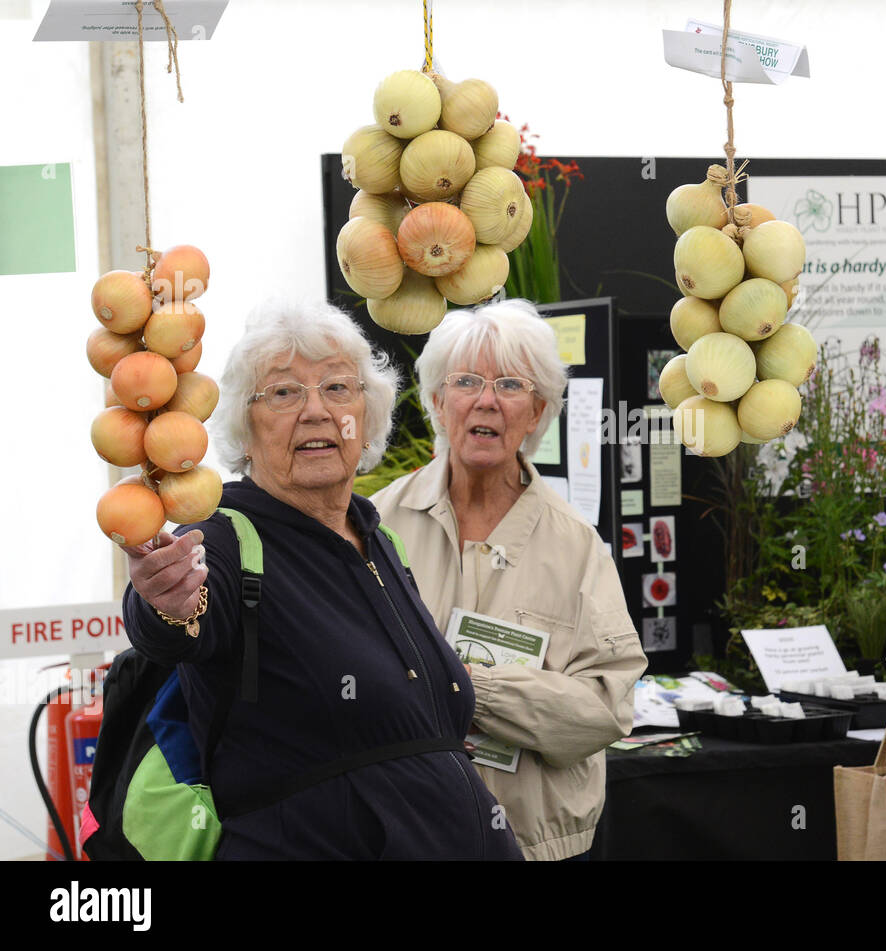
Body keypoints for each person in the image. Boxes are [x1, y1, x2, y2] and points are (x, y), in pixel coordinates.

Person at [120, 298, 522, 860]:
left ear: (367, 413)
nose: (316, 412)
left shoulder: (380, 540)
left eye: (338, 389)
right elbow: (175, 617)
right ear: (245, 424)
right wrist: (166, 600)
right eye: (283, 393)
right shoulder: (226, 538)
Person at [370, 298, 647, 861]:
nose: (487, 400)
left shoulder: (576, 546)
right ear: (437, 401)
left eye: (512, 385)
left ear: (538, 411)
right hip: (404, 837)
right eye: (467, 380)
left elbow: (606, 706)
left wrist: (469, 688)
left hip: (535, 847)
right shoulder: (375, 527)